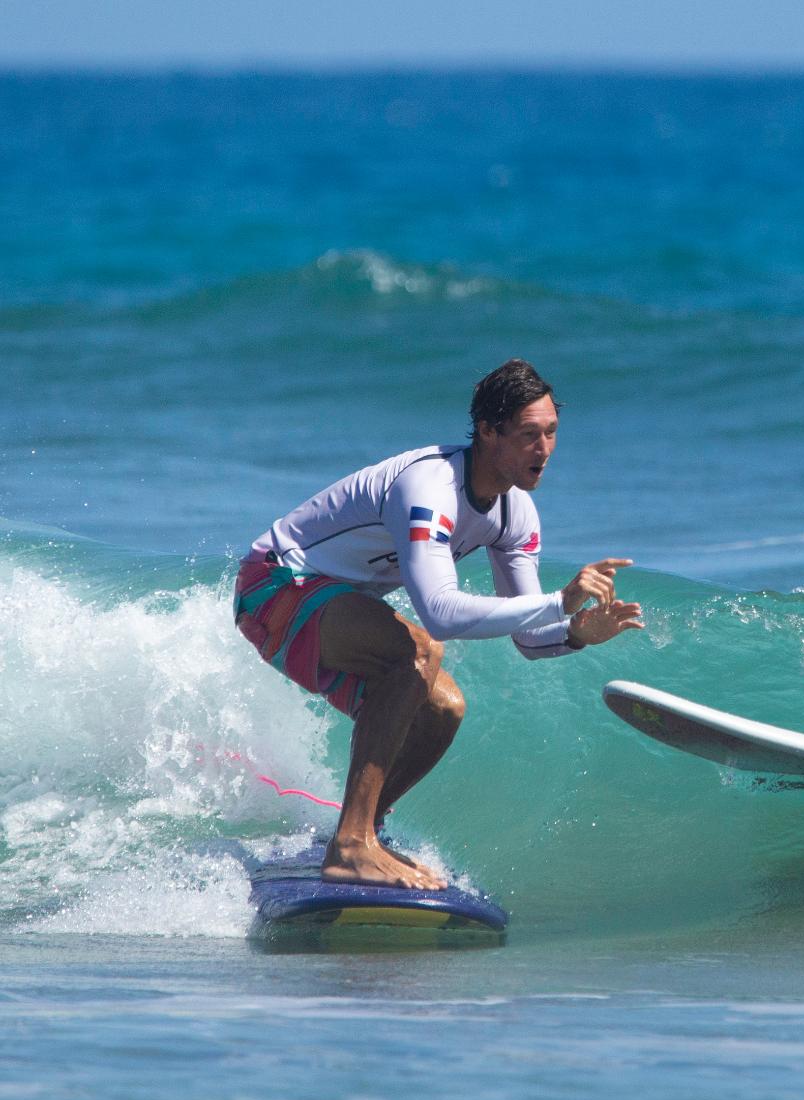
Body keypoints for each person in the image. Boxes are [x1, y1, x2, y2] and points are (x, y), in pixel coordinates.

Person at [233, 359, 643, 888]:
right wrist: (561, 602)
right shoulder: (429, 487)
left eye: (551, 433)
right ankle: (351, 844)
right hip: (275, 585)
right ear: (490, 432)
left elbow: (531, 638)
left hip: (337, 601)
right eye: (527, 435)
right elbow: (441, 614)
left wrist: (576, 632)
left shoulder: (514, 514)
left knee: (443, 708)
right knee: (420, 653)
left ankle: (364, 836)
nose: (543, 450)